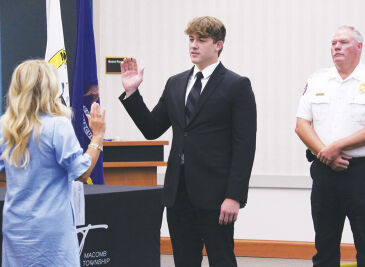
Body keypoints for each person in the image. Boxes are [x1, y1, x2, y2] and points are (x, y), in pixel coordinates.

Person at [119, 16, 256, 267]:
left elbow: (244, 146)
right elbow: (152, 129)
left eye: (201, 40)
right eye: (191, 39)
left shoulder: (237, 85)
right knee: (183, 260)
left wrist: (235, 196)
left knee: (222, 259)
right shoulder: (176, 83)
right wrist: (132, 93)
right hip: (178, 192)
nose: (194, 45)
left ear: (218, 45)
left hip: (217, 195)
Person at [295, 25, 365, 267]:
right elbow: (301, 125)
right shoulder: (318, 79)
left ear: (359, 47)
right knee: (324, 245)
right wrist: (327, 154)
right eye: (333, 43)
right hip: (324, 172)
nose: (336, 47)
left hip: (363, 173)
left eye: (343, 42)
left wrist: (336, 147)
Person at [0, 60, 106, 266]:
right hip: (51, 231)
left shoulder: (6, 127)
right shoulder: (57, 125)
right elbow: (82, 173)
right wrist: (98, 136)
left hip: (16, 226)